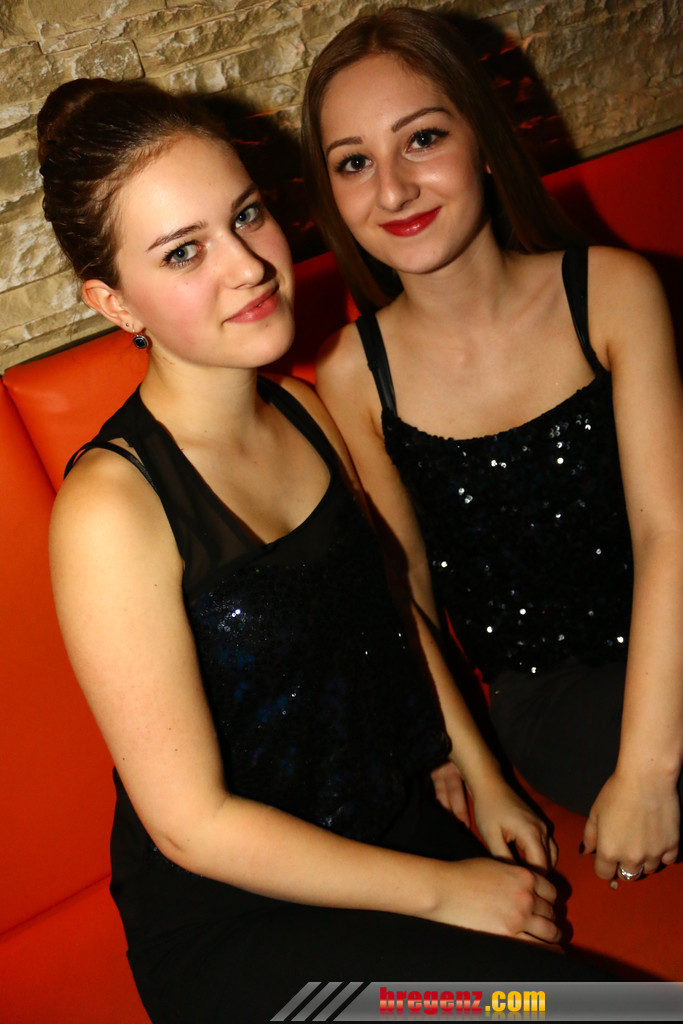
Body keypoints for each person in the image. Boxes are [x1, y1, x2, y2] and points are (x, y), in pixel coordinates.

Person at [39, 78, 610, 1023]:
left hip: (384, 834)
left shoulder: (302, 411)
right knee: (572, 1011)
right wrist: (444, 891)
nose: (248, 266)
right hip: (237, 920)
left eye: (245, 216)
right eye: (183, 252)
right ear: (113, 302)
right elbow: (191, 827)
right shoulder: (111, 509)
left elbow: (389, 612)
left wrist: (481, 773)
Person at [302, 5, 683, 888]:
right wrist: (465, 764)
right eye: (353, 162)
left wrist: (649, 769)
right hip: (548, 696)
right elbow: (405, 597)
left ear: (481, 138)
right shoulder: (353, 375)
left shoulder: (610, 291)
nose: (392, 190)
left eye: (421, 139)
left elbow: (667, 530)